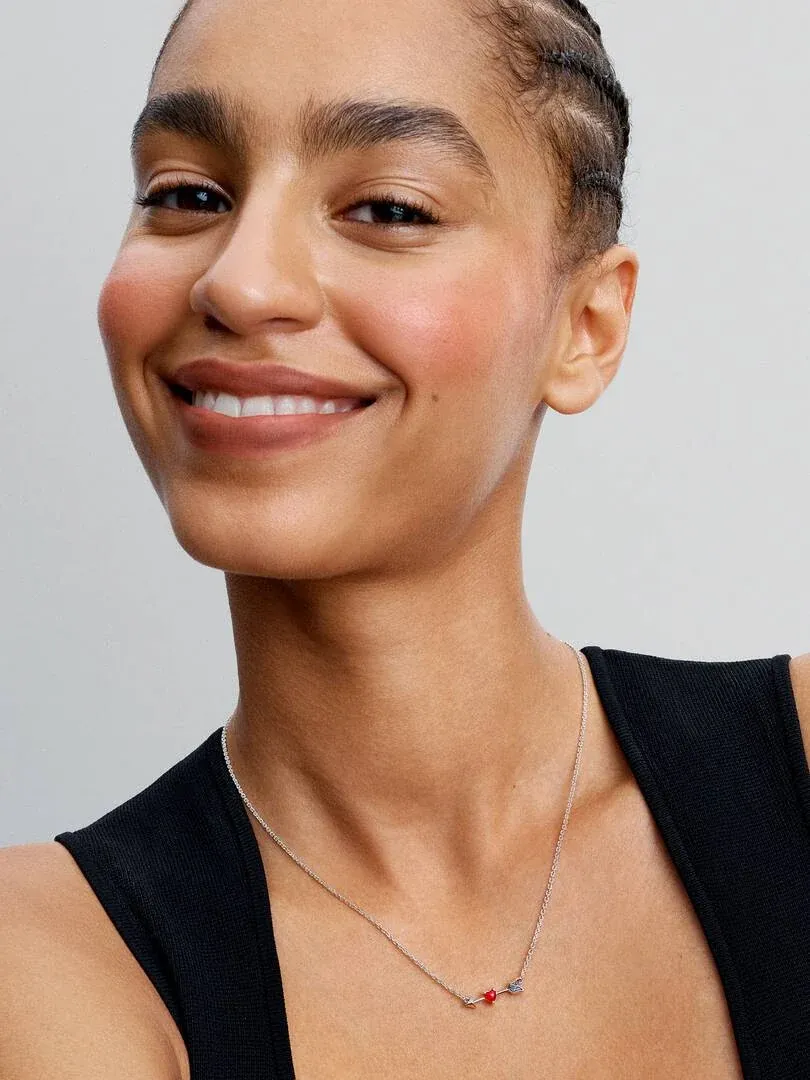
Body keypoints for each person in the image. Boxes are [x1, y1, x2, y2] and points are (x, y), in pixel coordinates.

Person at [2, 0, 809, 1076]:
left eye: (386, 208)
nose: (238, 283)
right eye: (186, 194)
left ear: (586, 328)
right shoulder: (45, 958)